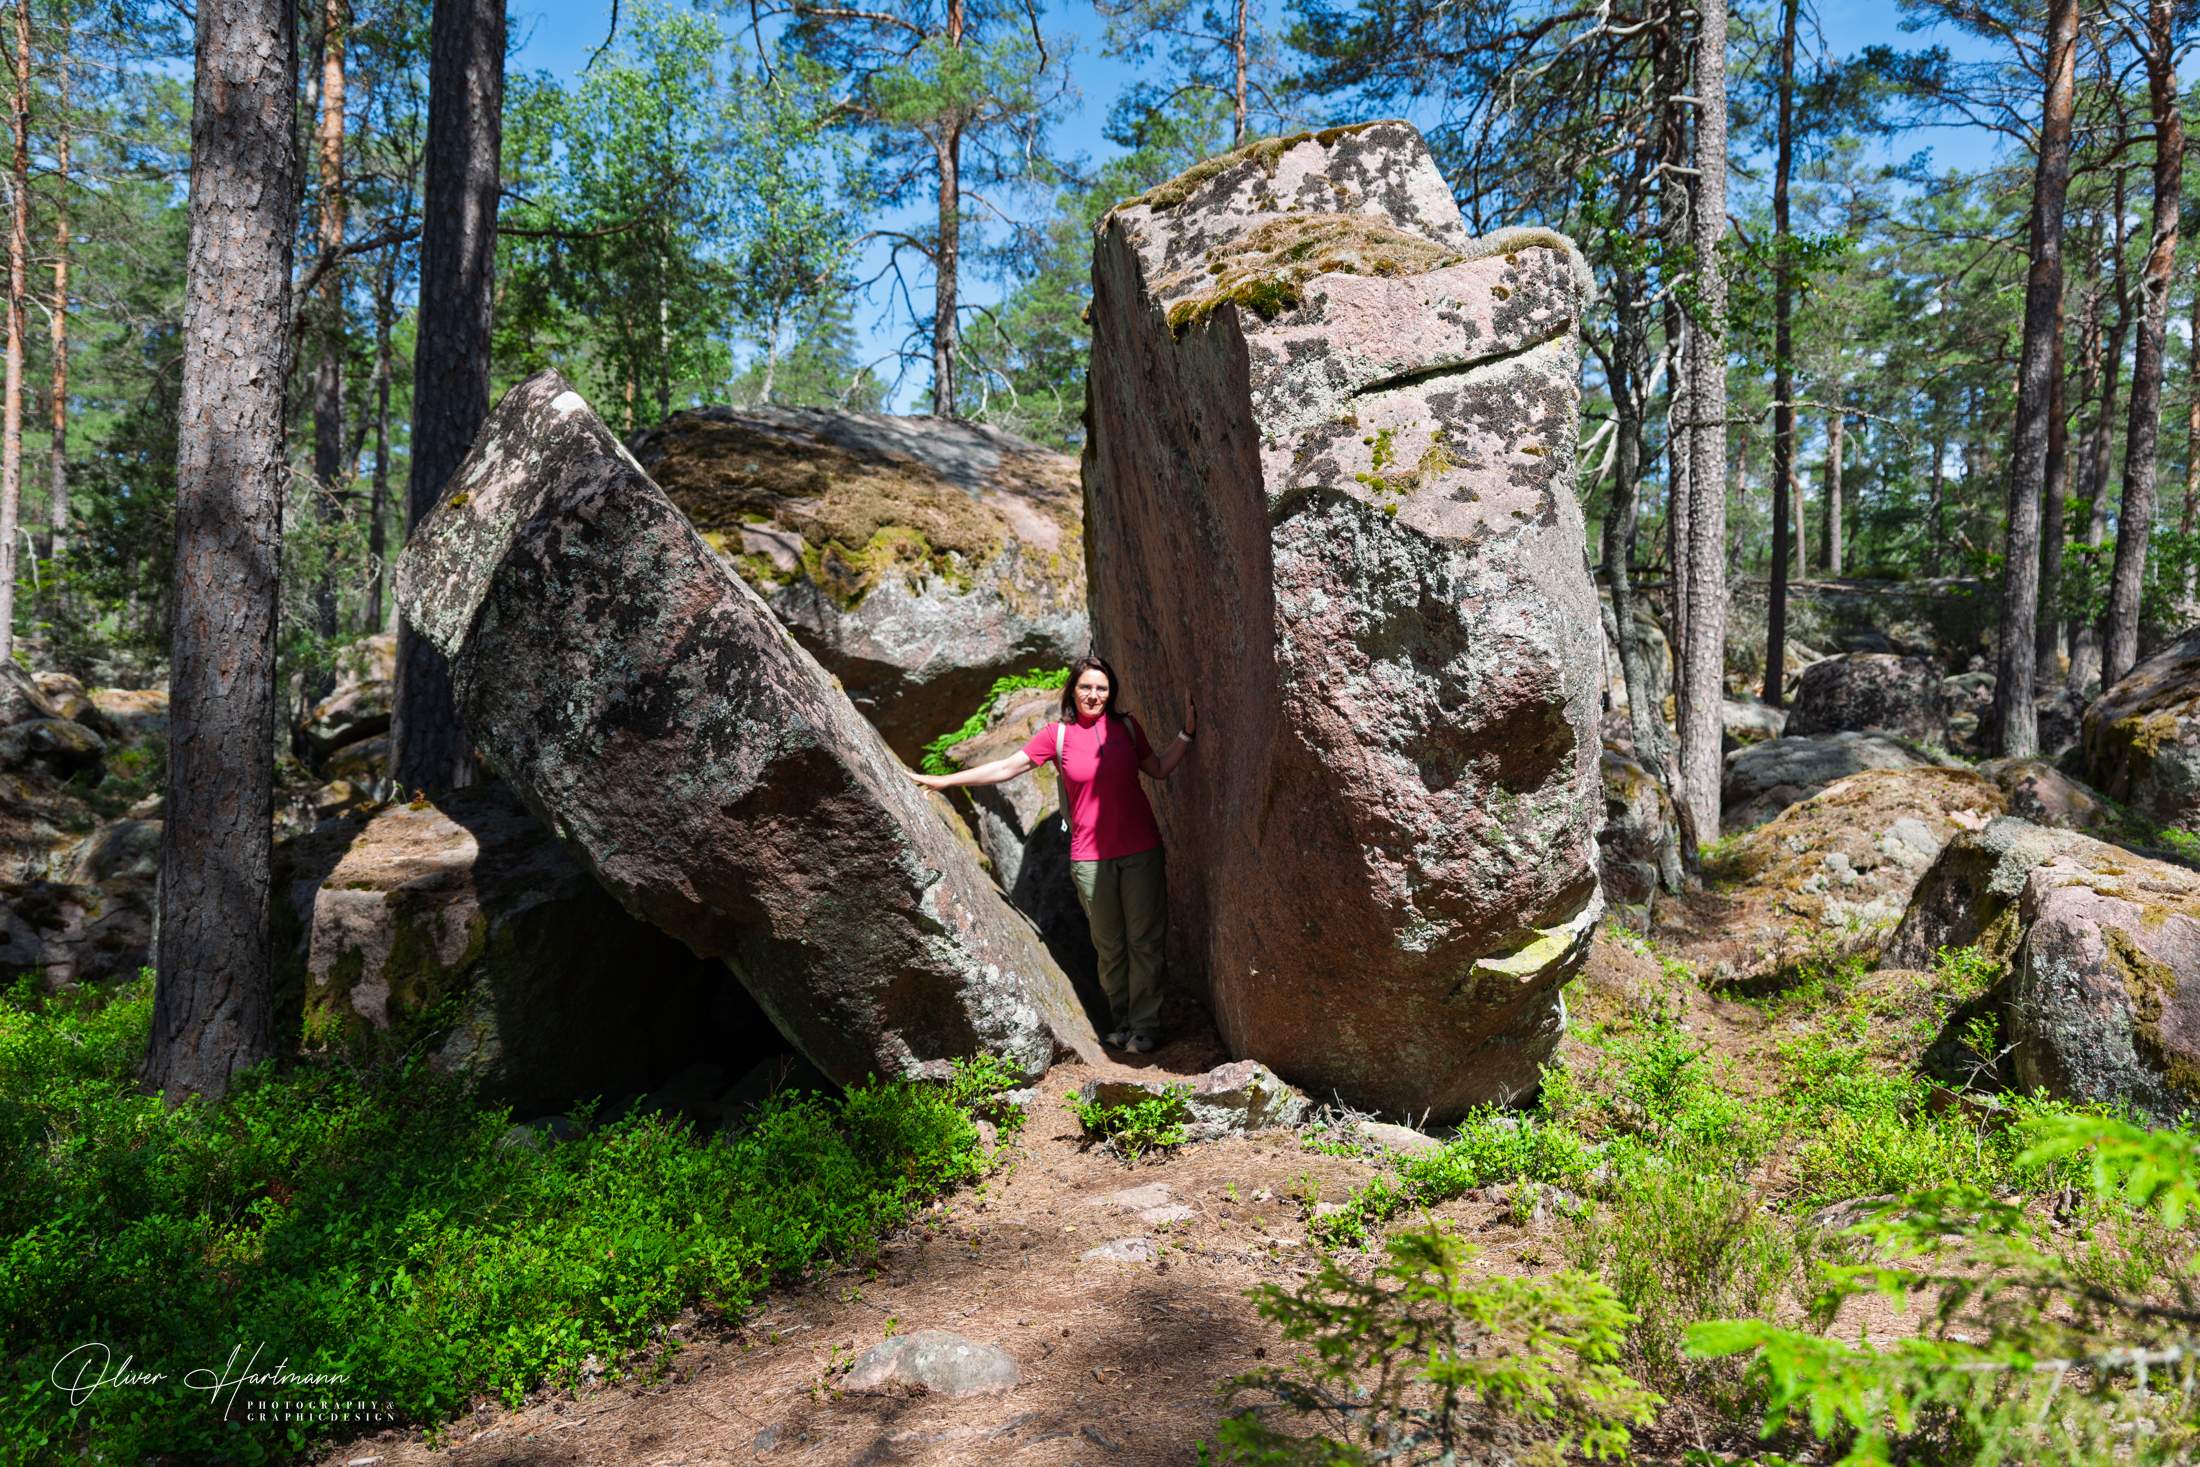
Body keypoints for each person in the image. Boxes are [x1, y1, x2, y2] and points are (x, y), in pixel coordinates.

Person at [908, 655, 1195, 1053]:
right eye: (1086, 687)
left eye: (1102, 688)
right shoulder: (1056, 737)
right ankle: (1123, 1022)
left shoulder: (1127, 728)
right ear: (1073, 691)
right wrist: (945, 780)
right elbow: (1006, 768)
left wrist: (1186, 735)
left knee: (1144, 940)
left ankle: (1146, 1026)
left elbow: (1159, 768)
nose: (1094, 695)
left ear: (1110, 693)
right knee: (1110, 945)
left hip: (1141, 849)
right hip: (1090, 857)